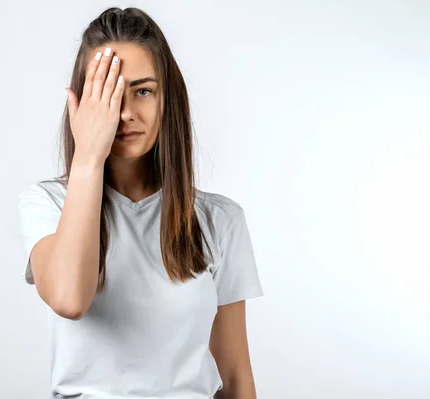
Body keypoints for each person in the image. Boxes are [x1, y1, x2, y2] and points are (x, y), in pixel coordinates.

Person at [18, 7, 263, 399]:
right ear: (82, 104)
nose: (126, 113)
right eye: (108, 94)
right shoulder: (47, 203)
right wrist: (88, 157)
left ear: (168, 99)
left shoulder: (221, 220)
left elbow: (234, 376)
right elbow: (68, 299)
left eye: (142, 91)